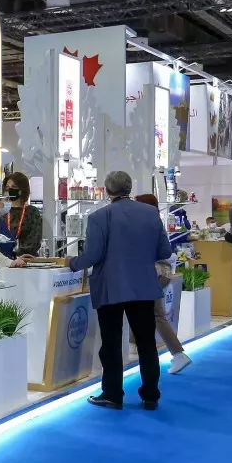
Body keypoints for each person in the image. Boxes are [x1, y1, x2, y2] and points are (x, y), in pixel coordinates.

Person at [68, 171, 170, 411]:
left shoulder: (99, 217)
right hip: (143, 287)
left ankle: (113, 395)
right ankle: (151, 396)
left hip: (110, 287)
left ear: (106, 190)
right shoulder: (151, 213)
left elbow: (92, 255)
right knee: (146, 343)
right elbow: (164, 251)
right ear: (129, 188)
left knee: (111, 343)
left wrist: (72, 263)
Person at [135, 193, 191, 374]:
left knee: (156, 315)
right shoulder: (155, 222)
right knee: (153, 314)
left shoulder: (145, 225)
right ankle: (175, 354)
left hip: (152, 273)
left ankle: (178, 354)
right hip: (160, 272)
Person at [2, 172, 43, 257]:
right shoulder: (2, 211)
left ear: (22, 190)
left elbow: (35, 239)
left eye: (14, 187)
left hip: (27, 258)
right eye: (7, 187)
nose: (10, 190)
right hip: (4, 258)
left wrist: (19, 255)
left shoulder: (32, 212)